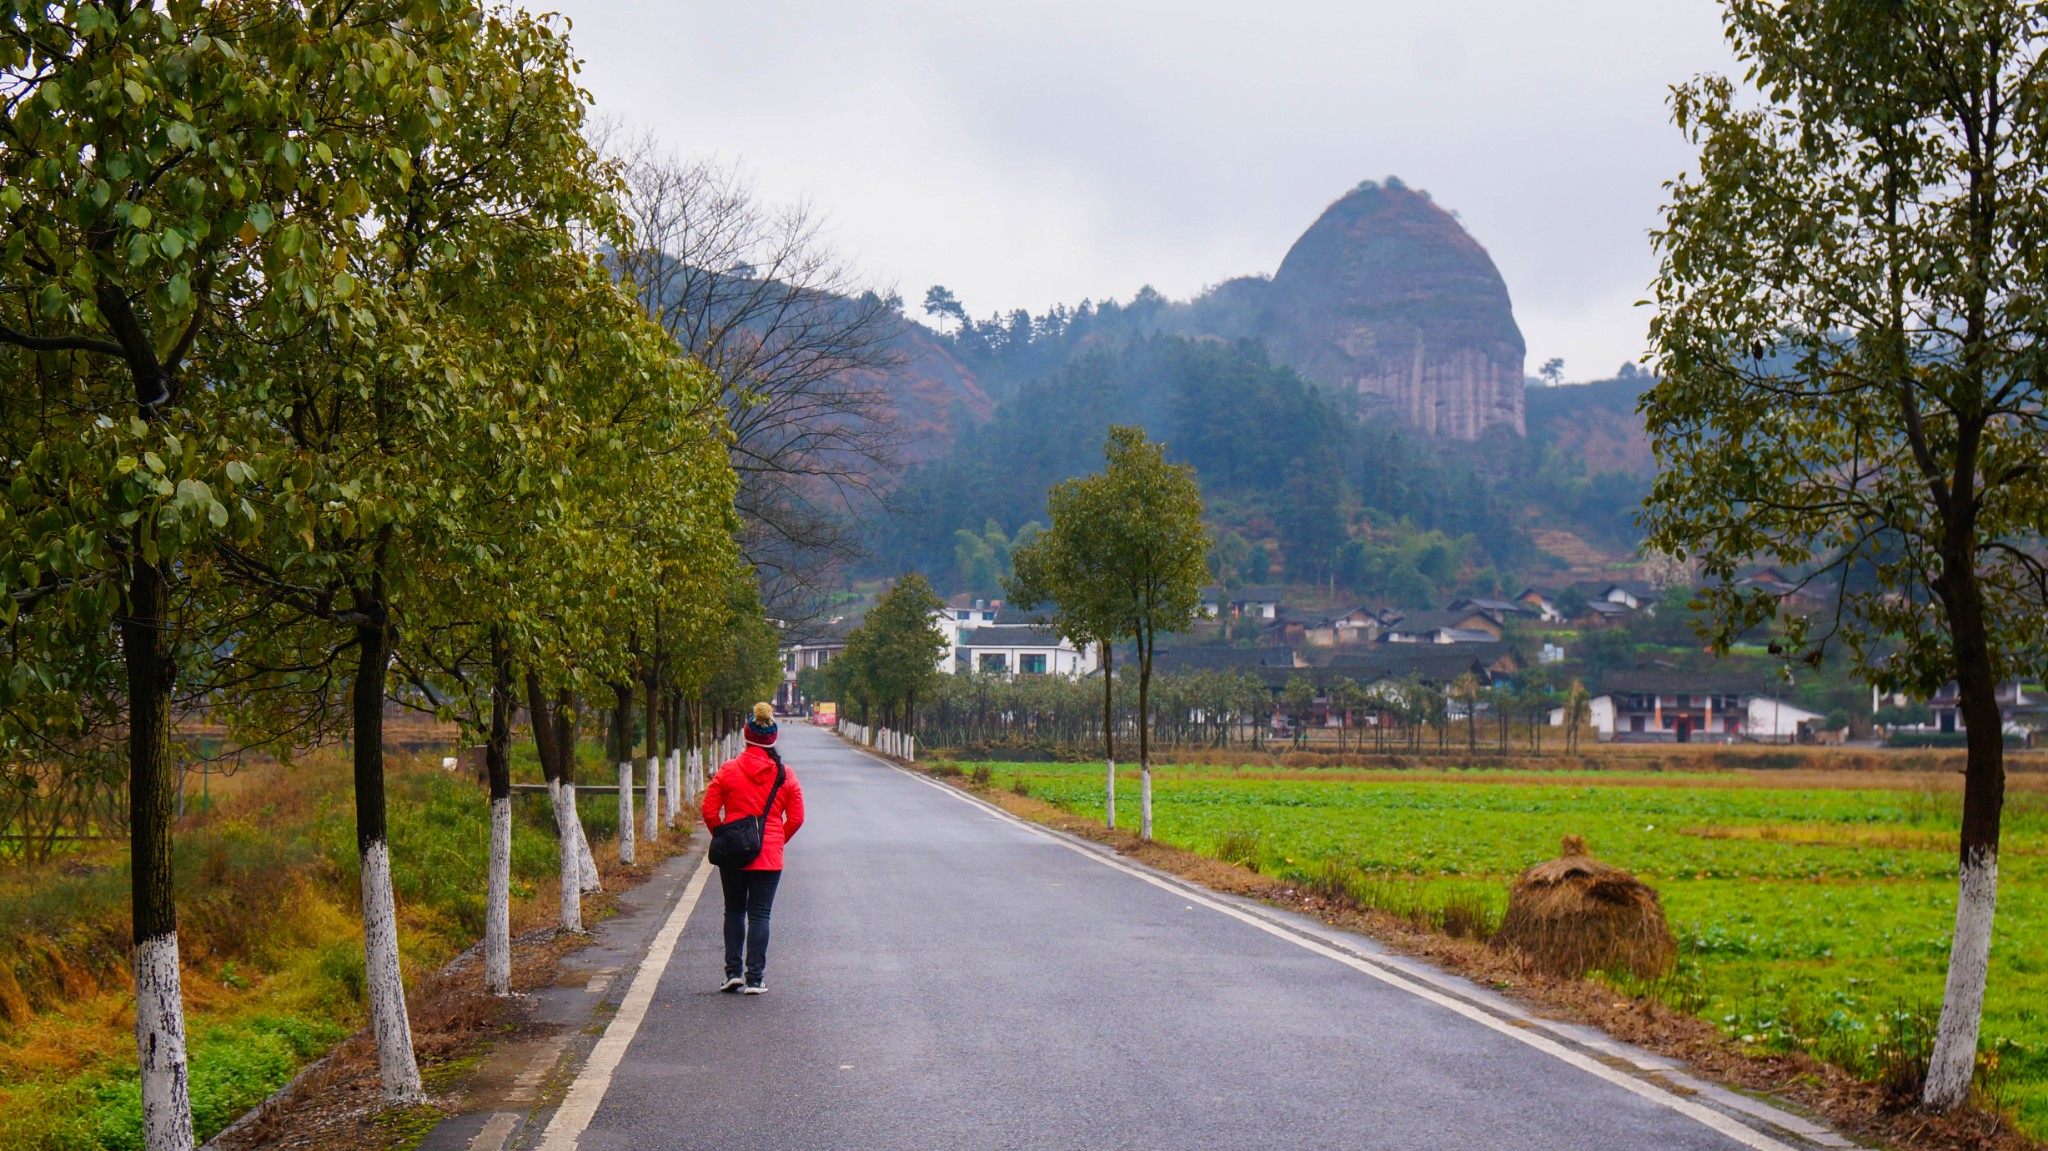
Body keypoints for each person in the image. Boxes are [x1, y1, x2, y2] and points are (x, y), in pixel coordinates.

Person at [701, 702, 805, 994]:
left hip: (733, 853)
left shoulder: (729, 770)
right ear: (772, 739)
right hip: (769, 854)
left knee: (733, 911)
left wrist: (723, 837)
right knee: (760, 914)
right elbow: (797, 817)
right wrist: (773, 840)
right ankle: (755, 978)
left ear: (746, 736)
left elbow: (709, 810)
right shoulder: (785, 775)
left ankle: (733, 973)